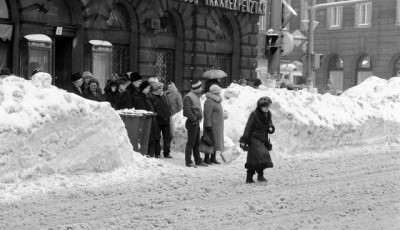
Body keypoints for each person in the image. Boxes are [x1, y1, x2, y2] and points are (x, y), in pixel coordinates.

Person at [239, 96, 275, 183]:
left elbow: (270, 124)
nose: (267, 108)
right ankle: (251, 178)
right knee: (262, 155)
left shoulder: (268, 114)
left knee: (255, 158)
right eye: (265, 106)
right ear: (260, 106)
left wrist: (271, 128)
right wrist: (244, 140)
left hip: (263, 139)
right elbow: (248, 127)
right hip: (254, 139)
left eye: (268, 106)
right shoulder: (254, 114)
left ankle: (258, 176)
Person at [183, 80, 208, 168]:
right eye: (200, 87)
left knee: (196, 142)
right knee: (191, 142)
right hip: (192, 122)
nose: (202, 89)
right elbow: (187, 111)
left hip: (195, 122)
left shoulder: (195, 96)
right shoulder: (188, 97)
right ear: (196, 88)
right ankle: (188, 161)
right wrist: (194, 119)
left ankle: (198, 160)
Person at [136, 80, 161, 158]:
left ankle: (151, 154)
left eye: (149, 88)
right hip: (146, 121)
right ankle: (148, 154)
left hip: (151, 120)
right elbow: (141, 110)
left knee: (153, 138)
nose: (148, 89)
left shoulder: (147, 96)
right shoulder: (140, 97)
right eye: (147, 88)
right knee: (149, 138)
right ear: (142, 88)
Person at [202, 84, 225, 165]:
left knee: (215, 141)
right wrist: (208, 126)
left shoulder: (217, 100)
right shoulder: (209, 101)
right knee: (209, 141)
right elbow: (207, 114)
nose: (220, 93)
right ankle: (206, 158)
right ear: (215, 93)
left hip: (217, 126)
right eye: (219, 92)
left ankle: (213, 157)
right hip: (211, 125)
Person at [149, 82, 173, 159]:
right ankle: (157, 153)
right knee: (157, 137)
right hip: (158, 120)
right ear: (156, 89)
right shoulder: (152, 97)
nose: (162, 90)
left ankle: (167, 152)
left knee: (167, 137)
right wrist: (157, 115)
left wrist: (169, 113)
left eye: (162, 88)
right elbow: (153, 108)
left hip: (166, 119)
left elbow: (168, 106)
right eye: (160, 88)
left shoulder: (164, 96)